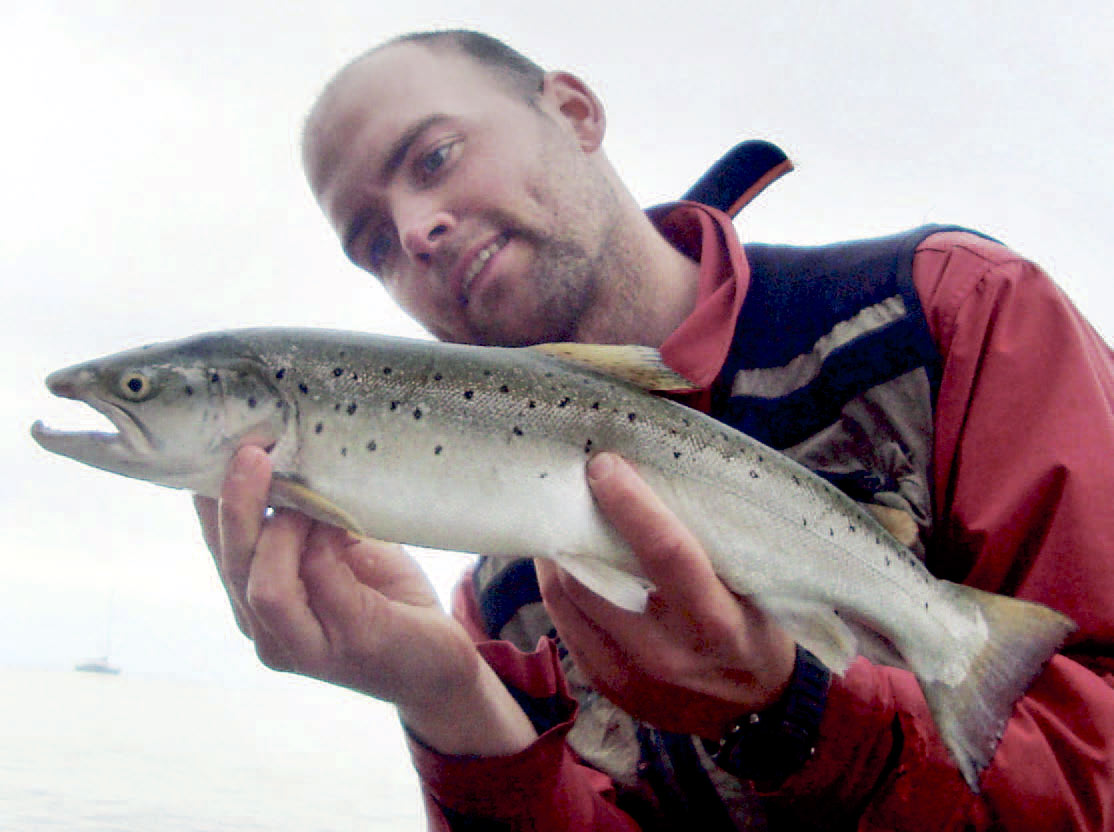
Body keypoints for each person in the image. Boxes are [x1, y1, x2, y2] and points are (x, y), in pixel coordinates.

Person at [194, 29, 1114, 830]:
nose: (415, 229)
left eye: (433, 158)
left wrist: (794, 711)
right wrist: (451, 702)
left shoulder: (955, 317)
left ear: (576, 112)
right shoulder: (499, 601)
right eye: (372, 246)